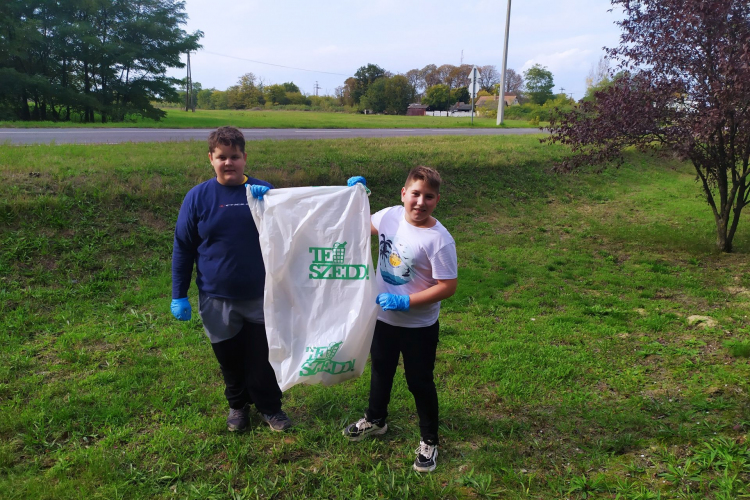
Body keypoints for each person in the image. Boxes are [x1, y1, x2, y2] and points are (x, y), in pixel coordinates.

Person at [170, 126, 291, 433]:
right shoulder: (198, 198)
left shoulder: (265, 192)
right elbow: (183, 247)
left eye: (234, 157)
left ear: (244, 158)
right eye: (221, 157)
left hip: (260, 295)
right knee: (229, 358)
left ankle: (270, 408)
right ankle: (238, 407)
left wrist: (347, 195)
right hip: (216, 297)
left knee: (262, 358)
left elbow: (295, 230)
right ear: (211, 159)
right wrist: (178, 294)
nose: (228, 163)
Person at [343, 167, 458, 473]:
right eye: (415, 194)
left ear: (436, 200)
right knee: (380, 371)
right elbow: (357, 227)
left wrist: (406, 301)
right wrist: (356, 198)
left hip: (418, 326)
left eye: (429, 196)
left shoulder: (439, 239)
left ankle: (430, 440)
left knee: (419, 381)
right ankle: (375, 419)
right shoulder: (389, 216)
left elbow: (448, 286)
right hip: (382, 319)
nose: (421, 202)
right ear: (403, 194)